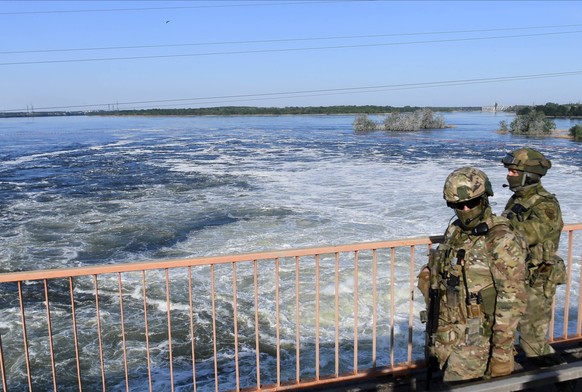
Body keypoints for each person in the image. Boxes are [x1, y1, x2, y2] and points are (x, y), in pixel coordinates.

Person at [418, 166, 527, 382]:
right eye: (458, 205)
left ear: (485, 197)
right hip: (449, 328)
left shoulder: (500, 239)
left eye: (472, 203)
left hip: (478, 335)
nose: (466, 209)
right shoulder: (456, 230)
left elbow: (511, 300)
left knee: (459, 384)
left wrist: (501, 353)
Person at [501, 147, 567, 367]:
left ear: (528, 175)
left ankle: (563, 379)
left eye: (513, 172)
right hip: (516, 276)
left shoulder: (545, 204)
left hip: (538, 279)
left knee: (532, 341)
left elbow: (532, 232)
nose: (509, 175)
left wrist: (497, 228)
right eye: (509, 171)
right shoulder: (517, 198)